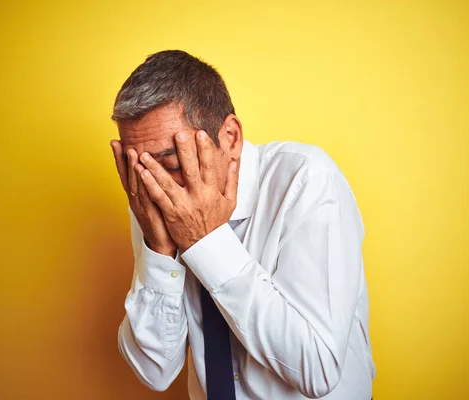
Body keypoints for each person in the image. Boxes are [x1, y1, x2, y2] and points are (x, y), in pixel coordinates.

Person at [110, 50, 375, 400]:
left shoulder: (306, 180)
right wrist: (159, 252)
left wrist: (206, 241)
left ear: (231, 137)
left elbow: (319, 369)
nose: (156, 187)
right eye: (138, 169)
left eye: (171, 162)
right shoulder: (153, 203)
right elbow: (154, 370)